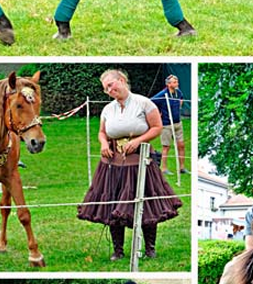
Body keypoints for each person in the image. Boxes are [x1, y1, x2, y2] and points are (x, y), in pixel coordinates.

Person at [77, 69, 182, 261]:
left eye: (111, 85)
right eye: (105, 88)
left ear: (122, 80)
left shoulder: (144, 103)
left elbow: (157, 128)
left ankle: (149, 248)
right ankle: (118, 250)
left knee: (146, 203)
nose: (109, 90)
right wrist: (103, 144)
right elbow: (102, 132)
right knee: (113, 203)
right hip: (113, 163)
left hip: (140, 162)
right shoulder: (108, 109)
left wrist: (138, 140)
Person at [150, 74, 189, 176]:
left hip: (178, 123)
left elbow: (181, 99)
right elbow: (151, 102)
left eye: (177, 81)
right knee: (166, 146)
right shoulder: (163, 94)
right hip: (166, 124)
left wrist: (178, 107)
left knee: (181, 145)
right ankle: (163, 168)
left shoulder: (178, 92)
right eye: (174, 81)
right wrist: (158, 113)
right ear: (168, 84)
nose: (177, 83)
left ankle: (182, 168)